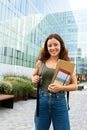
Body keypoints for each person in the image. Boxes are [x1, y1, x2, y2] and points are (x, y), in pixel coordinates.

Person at [31, 33, 77, 130]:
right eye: (49, 45)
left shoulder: (67, 64)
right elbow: (33, 75)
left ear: (61, 45)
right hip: (42, 101)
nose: (53, 48)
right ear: (46, 48)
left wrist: (61, 88)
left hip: (59, 101)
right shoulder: (41, 62)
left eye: (55, 44)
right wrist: (34, 78)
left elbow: (75, 85)